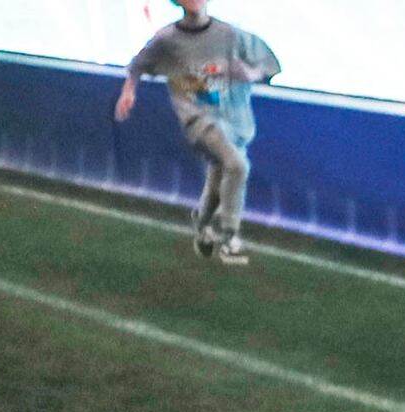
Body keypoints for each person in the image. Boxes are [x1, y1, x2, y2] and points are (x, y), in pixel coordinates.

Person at [115, 0, 282, 266]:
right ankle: (229, 234)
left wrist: (248, 73)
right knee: (237, 166)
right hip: (197, 120)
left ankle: (203, 224)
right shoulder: (167, 39)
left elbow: (269, 65)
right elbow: (139, 63)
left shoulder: (230, 35)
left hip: (232, 121)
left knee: (219, 173)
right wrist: (128, 92)